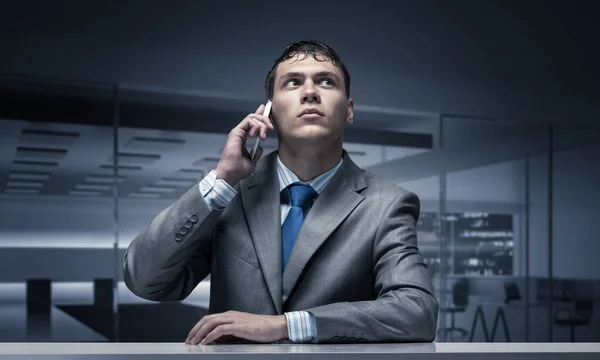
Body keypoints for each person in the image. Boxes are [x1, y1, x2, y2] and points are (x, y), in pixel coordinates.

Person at [123, 40, 438, 345]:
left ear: (349, 110)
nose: (310, 93)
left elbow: (416, 311)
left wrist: (287, 325)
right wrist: (222, 180)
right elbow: (145, 281)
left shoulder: (387, 203)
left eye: (327, 82)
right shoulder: (230, 194)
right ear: (268, 113)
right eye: (293, 83)